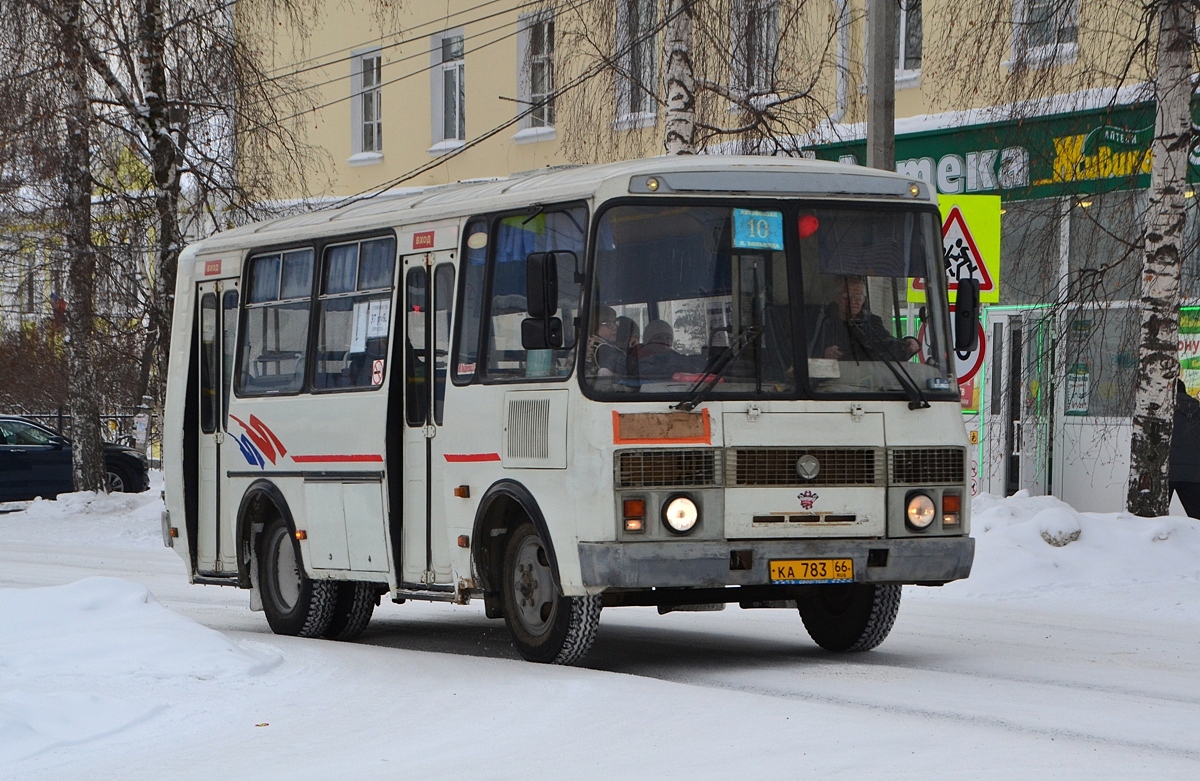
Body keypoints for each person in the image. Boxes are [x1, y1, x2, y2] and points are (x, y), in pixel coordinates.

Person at [807, 276, 920, 362]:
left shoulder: (872, 322)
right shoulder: (821, 321)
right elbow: (805, 354)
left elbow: (886, 344)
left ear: (864, 300)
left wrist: (909, 343)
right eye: (847, 296)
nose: (853, 301)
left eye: (858, 297)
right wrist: (823, 354)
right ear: (836, 298)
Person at [1169, 378, 1200, 519]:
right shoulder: (1198, 411)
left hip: (1166, 472)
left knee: (1151, 519)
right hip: (1194, 474)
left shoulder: (1162, 413)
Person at [586, 305, 629, 379]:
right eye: (608, 324)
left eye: (615, 322)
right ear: (595, 325)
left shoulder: (583, 345)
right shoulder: (602, 347)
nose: (615, 327)